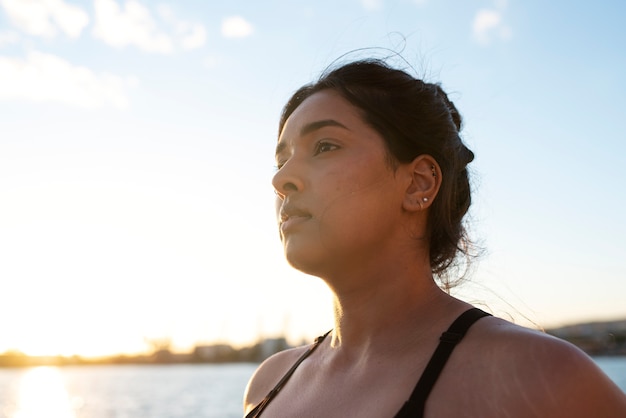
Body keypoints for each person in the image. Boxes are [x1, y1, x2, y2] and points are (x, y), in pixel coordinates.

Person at [243, 58, 626, 417]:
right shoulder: (270, 382)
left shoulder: (540, 377)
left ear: (418, 183)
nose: (280, 180)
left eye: (325, 146)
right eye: (281, 161)